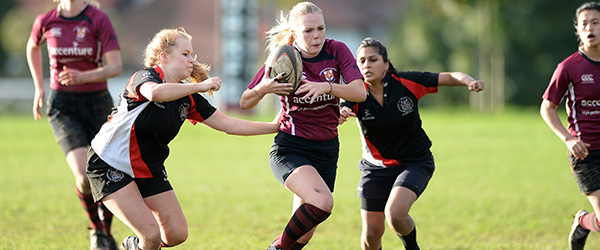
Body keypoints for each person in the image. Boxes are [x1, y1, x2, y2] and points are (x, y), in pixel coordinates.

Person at [86, 27, 281, 250]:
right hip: (108, 163)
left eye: (192, 55)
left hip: (147, 168)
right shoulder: (145, 77)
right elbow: (155, 93)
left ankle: (133, 247)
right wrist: (199, 85)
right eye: (185, 54)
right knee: (150, 235)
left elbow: (229, 124)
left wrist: (274, 127)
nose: (191, 60)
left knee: (176, 234)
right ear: (164, 57)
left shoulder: (188, 98)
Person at [239, 2, 367, 249]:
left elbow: (359, 92)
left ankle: (280, 247)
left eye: (321, 28)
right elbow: (245, 102)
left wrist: (327, 87)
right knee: (323, 203)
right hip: (291, 147)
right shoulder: (283, 58)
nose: (317, 35)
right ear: (295, 33)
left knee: (304, 235)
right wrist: (263, 88)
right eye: (308, 30)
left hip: (327, 149)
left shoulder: (337, 50)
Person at [339, 37, 484, 250]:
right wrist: (342, 112)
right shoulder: (356, 91)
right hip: (375, 168)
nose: (366, 65)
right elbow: (343, 106)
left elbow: (451, 76)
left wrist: (469, 81)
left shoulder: (406, 82)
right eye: (361, 61)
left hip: (414, 162)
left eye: (373, 60)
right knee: (371, 235)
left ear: (386, 64)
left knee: (395, 214)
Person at [26, 0, 122, 249]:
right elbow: (32, 47)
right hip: (63, 106)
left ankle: (106, 235)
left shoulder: (98, 18)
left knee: (106, 172)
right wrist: (38, 87)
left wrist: (84, 76)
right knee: (83, 175)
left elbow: (115, 66)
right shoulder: (45, 21)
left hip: (97, 103)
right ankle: (98, 230)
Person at [540, 2, 600, 250]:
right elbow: (547, 108)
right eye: (584, 23)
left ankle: (586, 222)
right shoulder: (568, 67)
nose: (590, 28)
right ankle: (584, 222)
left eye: (595, 22)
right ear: (577, 29)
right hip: (585, 152)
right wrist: (568, 139)